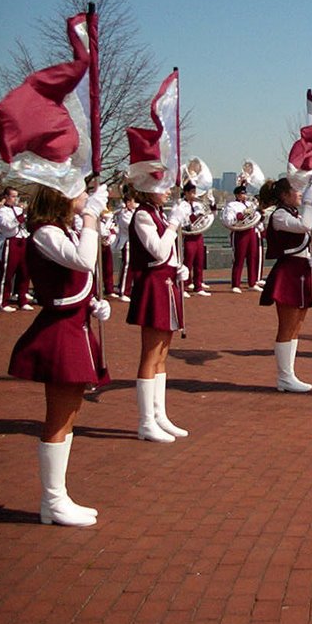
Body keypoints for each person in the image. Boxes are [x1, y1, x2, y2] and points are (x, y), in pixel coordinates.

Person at [8, 182, 112, 526]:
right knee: (59, 416)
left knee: (70, 413)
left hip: (75, 325)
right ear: (60, 196)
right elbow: (83, 259)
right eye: (79, 193)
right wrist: (92, 216)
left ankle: (59, 496)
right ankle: (52, 499)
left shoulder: (60, 229)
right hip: (60, 330)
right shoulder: (46, 233)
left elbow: (74, 276)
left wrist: (92, 301)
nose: (84, 198)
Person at [126, 184, 191, 443]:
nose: (167, 191)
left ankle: (159, 414)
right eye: (161, 187)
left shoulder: (158, 214)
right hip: (153, 286)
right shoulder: (142, 215)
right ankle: (145, 421)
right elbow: (158, 250)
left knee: (163, 353)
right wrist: (174, 224)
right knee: (150, 354)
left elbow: (168, 255)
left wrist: (178, 267)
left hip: (166, 284)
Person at [259, 178, 312, 392]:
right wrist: (309, 205)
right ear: (284, 195)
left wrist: (310, 257)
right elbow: (304, 226)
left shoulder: (292, 213)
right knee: (287, 325)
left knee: (297, 325)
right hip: (288, 272)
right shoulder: (279, 215)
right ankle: (284, 376)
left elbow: (311, 232)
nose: (300, 195)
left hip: (301, 269)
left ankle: (290, 373)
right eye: (297, 191)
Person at [222, 185, 265, 294]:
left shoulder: (250, 204)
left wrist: (260, 217)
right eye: (241, 193)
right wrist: (240, 215)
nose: (244, 195)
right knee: (239, 258)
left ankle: (252, 282)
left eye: (244, 193)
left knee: (253, 258)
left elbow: (255, 217)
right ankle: (235, 284)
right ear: (237, 195)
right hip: (240, 232)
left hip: (251, 231)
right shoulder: (232, 205)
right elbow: (228, 220)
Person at [0, 187, 32, 312]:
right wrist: (21, 217)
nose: (15, 199)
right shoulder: (1, 211)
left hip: (23, 240)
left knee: (24, 271)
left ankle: (22, 300)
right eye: (13, 196)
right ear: (6, 196)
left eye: (17, 196)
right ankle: (3, 302)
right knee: (8, 273)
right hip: (11, 241)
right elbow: (7, 226)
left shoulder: (18, 209)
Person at [175, 181, 214, 297]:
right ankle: (184, 286)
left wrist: (207, 210)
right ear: (186, 193)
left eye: (194, 192)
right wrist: (194, 218)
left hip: (199, 235)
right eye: (191, 192)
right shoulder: (181, 205)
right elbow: (182, 220)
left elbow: (208, 215)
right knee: (188, 262)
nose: (194, 195)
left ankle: (198, 286)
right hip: (189, 236)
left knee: (199, 262)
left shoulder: (197, 205)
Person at [113, 193, 137, 302]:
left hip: (132, 242)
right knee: (127, 267)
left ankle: (124, 288)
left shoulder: (131, 212)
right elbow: (131, 226)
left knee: (131, 267)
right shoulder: (124, 214)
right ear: (128, 203)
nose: (135, 204)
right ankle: (123, 291)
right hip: (127, 241)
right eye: (133, 201)